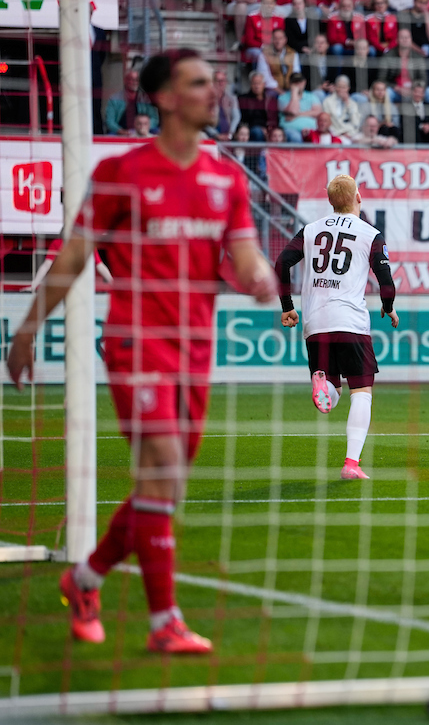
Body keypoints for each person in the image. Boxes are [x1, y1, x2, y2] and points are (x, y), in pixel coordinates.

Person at [8, 49, 276, 654]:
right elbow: (75, 255)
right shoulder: (119, 172)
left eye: (213, 81)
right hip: (136, 340)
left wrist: (260, 278)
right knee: (159, 471)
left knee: (165, 488)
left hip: (194, 348)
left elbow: (245, 257)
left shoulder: (225, 178)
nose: (214, 92)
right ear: (163, 97)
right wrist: (26, 330)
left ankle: (85, 579)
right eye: (198, 82)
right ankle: (165, 624)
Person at [275, 175, 396, 481]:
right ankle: (351, 464)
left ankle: (323, 384)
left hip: (316, 322)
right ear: (358, 197)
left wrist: (287, 306)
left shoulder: (311, 230)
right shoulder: (370, 234)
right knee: (362, 391)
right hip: (351, 320)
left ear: (330, 201)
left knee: (334, 389)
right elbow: (386, 280)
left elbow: (281, 263)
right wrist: (389, 307)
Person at [105, 68, 160, 135]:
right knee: (110, 136)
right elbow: (110, 122)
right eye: (132, 79)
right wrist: (122, 131)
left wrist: (144, 127)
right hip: (121, 131)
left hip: (144, 129)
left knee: (159, 132)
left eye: (137, 80)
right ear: (125, 80)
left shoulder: (145, 98)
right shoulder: (114, 99)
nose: (135, 82)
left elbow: (154, 118)